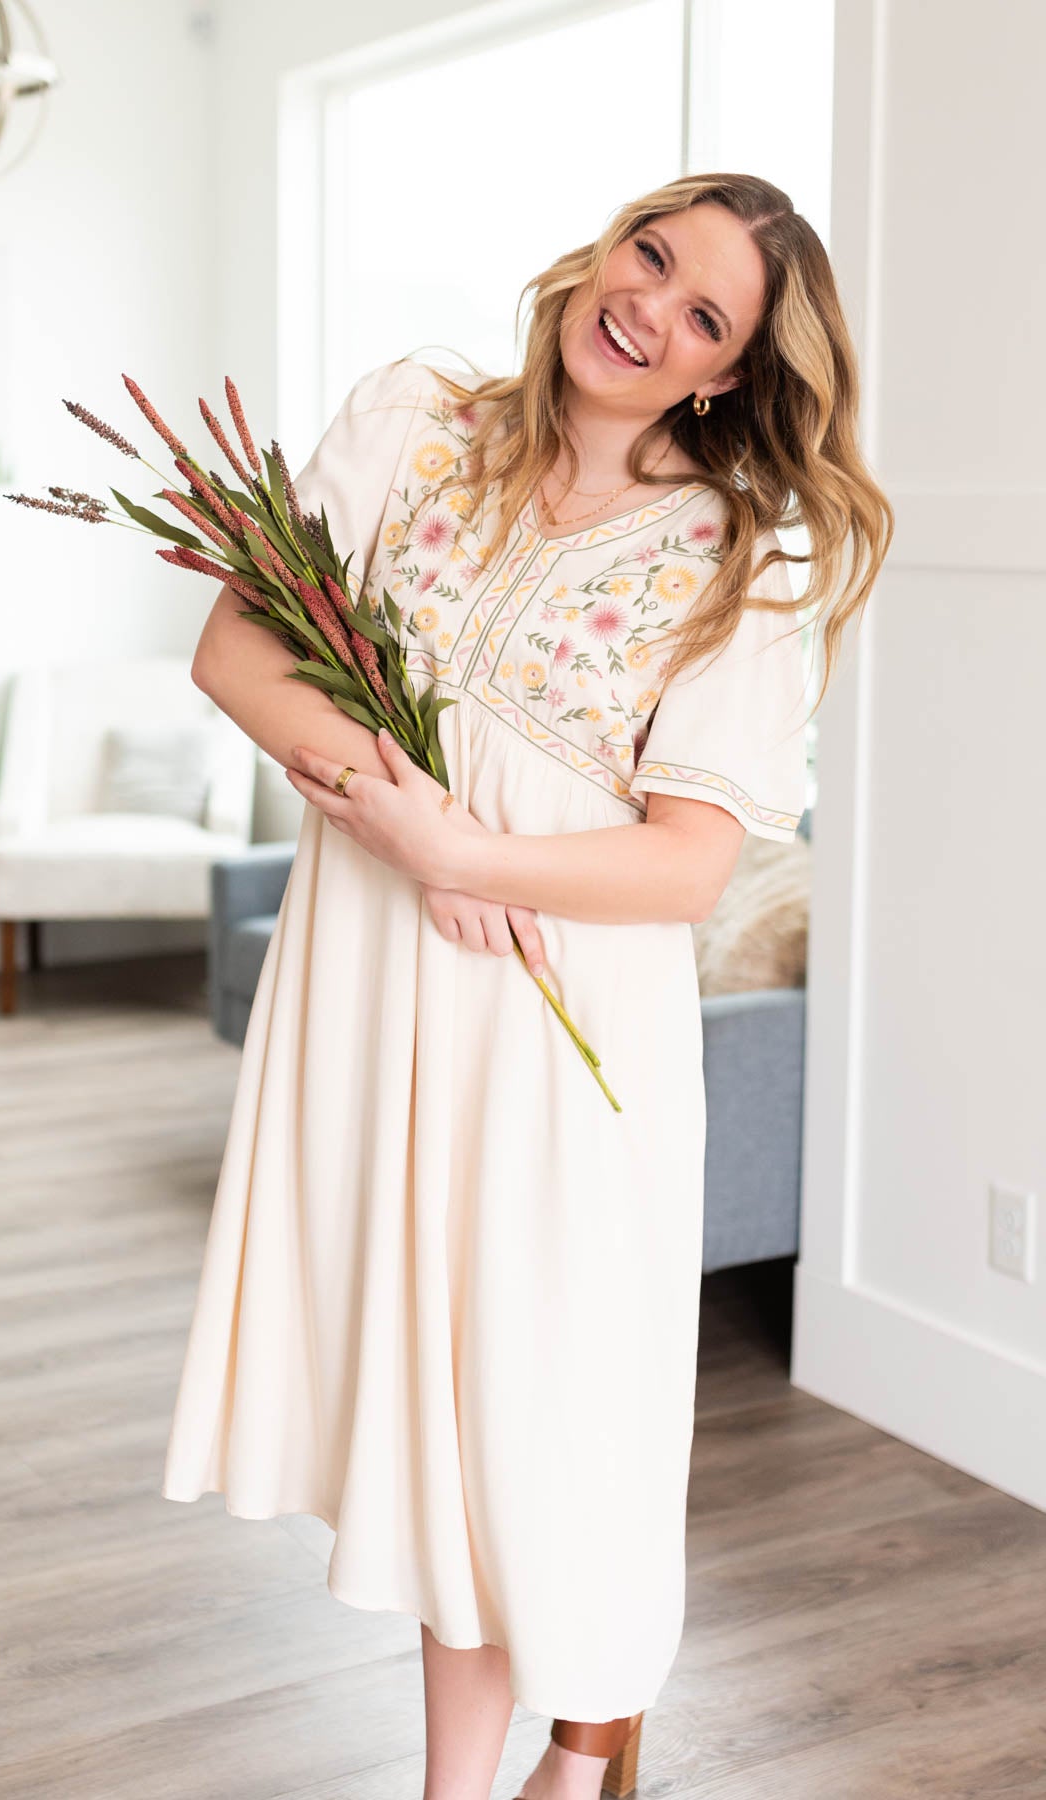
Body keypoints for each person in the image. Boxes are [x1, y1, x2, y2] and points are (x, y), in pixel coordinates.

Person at [161, 171, 893, 1800]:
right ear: (605, 244)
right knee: (433, 1428)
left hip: (567, 1042)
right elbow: (235, 651)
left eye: (705, 315)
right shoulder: (415, 419)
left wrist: (468, 859)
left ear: (723, 373)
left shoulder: (739, 567)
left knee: (540, 1421)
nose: (649, 310)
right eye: (653, 257)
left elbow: (690, 867)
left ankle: (585, 1743)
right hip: (377, 990)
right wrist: (414, 831)